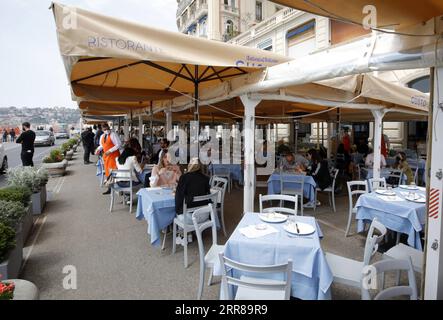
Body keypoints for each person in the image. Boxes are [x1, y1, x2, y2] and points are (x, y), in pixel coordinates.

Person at [95, 123, 122, 194]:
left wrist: (110, 151)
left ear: (108, 127)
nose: (106, 130)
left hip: (114, 156)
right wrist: (98, 149)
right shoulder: (102, 136)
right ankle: (109, 188)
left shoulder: (113, 134)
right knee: (107, 172)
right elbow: (102, 145)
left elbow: (118, 144)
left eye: (106, 128)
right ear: (102, 129)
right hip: (106, 157)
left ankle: (118, 187)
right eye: (104, 129)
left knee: (114, 172)